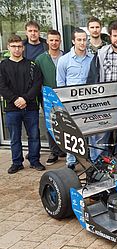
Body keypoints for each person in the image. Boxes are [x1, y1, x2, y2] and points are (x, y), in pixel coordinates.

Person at [87, 21, 117, 162]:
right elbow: (92, 78)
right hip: (104, 102)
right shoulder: (101, 54)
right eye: (114, 36)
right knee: (101, 136)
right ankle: (98, 166)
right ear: (110, 36)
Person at [0, 35, 45, 173]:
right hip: (12, 108)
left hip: (30, 107)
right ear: (8, 47)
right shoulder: (3, 66)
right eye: (13, 46)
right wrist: (15, 99)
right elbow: (2, 86)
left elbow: (37, 84)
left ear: (23, 48)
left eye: (19, 46)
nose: (17, 49)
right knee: (15, 137)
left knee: (34, 135)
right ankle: (17, 162)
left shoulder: (32, 65)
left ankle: (34, 160)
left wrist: (25, 99)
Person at [57, 28, 94, 169]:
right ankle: (71, 161)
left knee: (89, 128)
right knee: (71, 131)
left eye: (84, 39)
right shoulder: (64, 60)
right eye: (79, 39)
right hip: (70, 102)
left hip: (89, 101)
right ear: (73, 41)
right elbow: (60, 83)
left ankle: (90, 156)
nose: (82, 42)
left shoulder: (92, 59)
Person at [35, 29, 66, 166]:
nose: (54, 43)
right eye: (51, 40)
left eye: (56, 40)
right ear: (47, 41)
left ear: (60, 41)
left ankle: (64, 149)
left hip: (64, 96)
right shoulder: (40, 59)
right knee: (50, 124)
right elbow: (37, 79)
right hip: (47, 97)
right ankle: (54, 151)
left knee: (65, 123)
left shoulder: (66, 57)